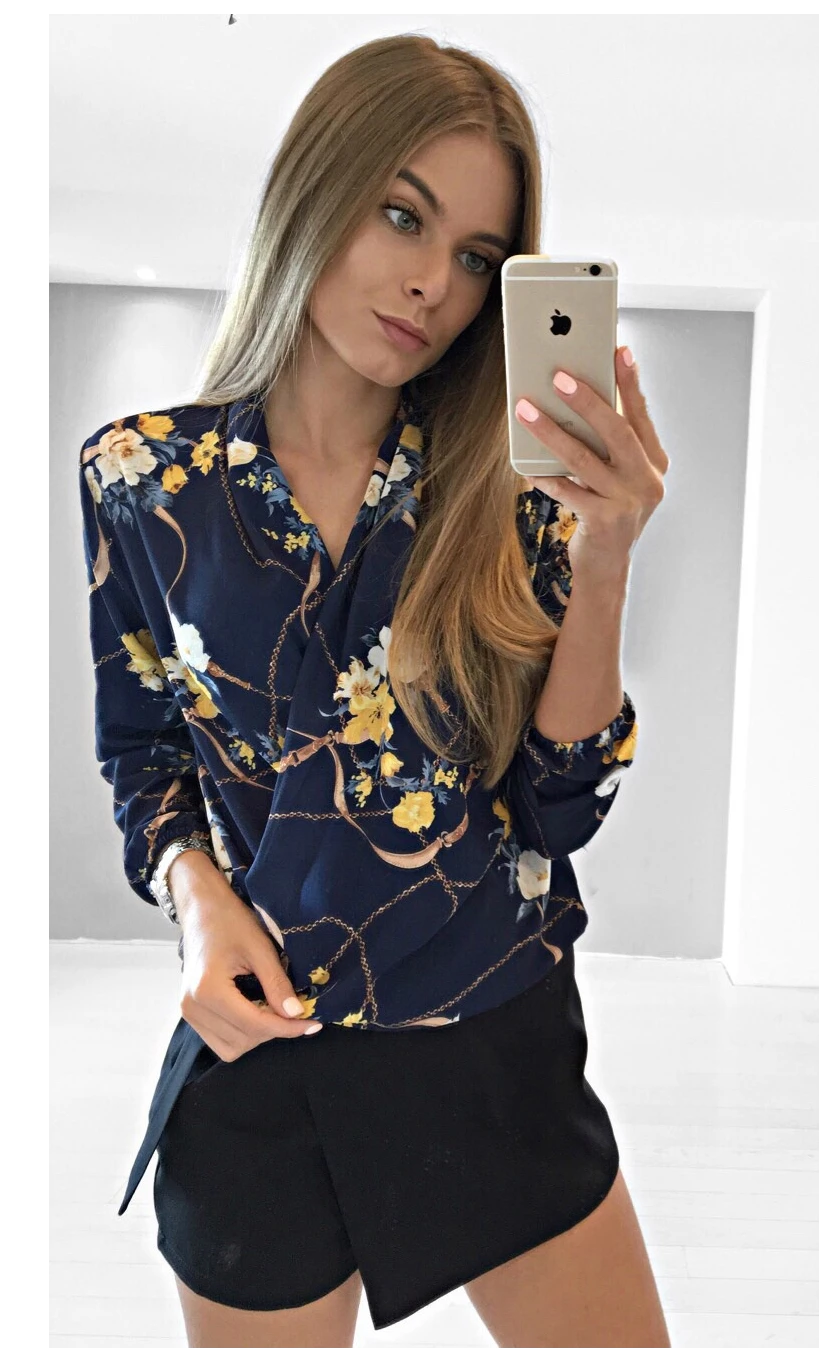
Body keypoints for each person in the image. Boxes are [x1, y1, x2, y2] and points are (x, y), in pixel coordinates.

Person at [78, 32, 671, 1352]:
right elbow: (144, 753)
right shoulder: (140, 481)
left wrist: (607, 558)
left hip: (489, 1036)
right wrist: (196, 904)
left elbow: (559, 808)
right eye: (404, 215)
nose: (432, 285)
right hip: (260, 1058)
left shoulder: (514, 499)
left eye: (477, 256)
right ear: (315, 188)